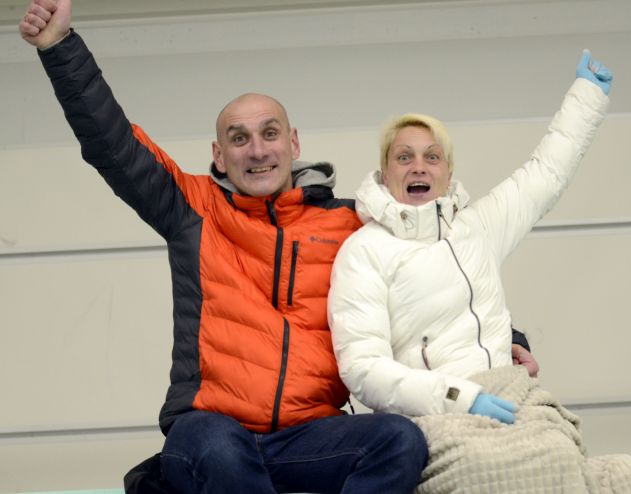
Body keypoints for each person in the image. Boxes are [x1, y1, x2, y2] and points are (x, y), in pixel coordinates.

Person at [19, 0, 537, 492]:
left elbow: (434, 275)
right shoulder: (191, 210)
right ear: (219, 155)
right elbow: (113, 144)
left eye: (269, 134)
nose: (257, 150)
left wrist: (508, 336)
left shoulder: (350, 223)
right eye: (239, 138)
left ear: (293, 143)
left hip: (310, 434)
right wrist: (60, 46)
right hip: (211, 427)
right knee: (220, 454)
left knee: (398, 440)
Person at [328, 51, 611, 424]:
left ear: (448, 173)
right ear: (385, 171)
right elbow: (363, 367)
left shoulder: (478, 227)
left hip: (512, 399)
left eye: (432, 157)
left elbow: (546, 173)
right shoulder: (364, 252)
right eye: (404, 157)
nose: (418, 167)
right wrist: (458, 399)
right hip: (435, 418)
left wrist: (588, 93)